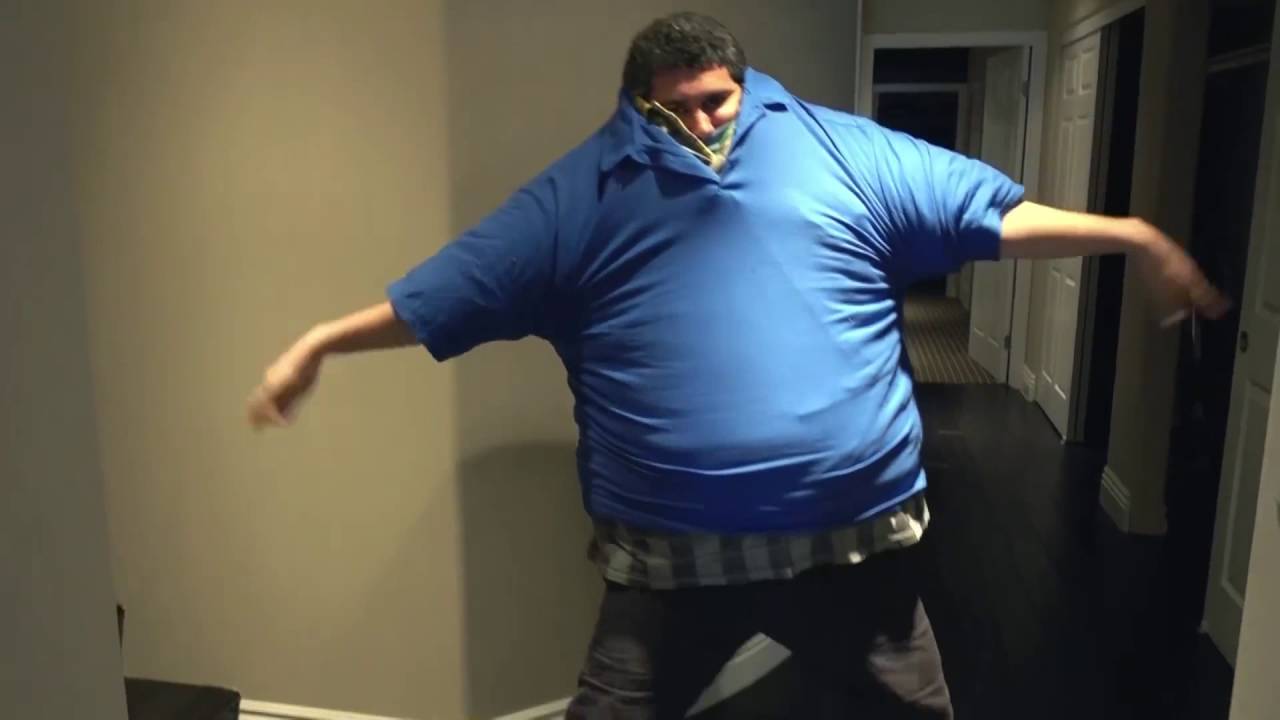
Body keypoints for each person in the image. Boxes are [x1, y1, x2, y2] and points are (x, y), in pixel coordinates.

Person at [247, 12, 1228, 720]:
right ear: (636, 104)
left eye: (714, 102)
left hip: (854, 554)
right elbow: (447, 292)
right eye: (671, 108)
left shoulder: (843, 154)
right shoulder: (581, 196)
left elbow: (994, 218)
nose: (699, 124)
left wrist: (1131, 235)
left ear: (744, 88)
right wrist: (320, 342)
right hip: (671, 566)